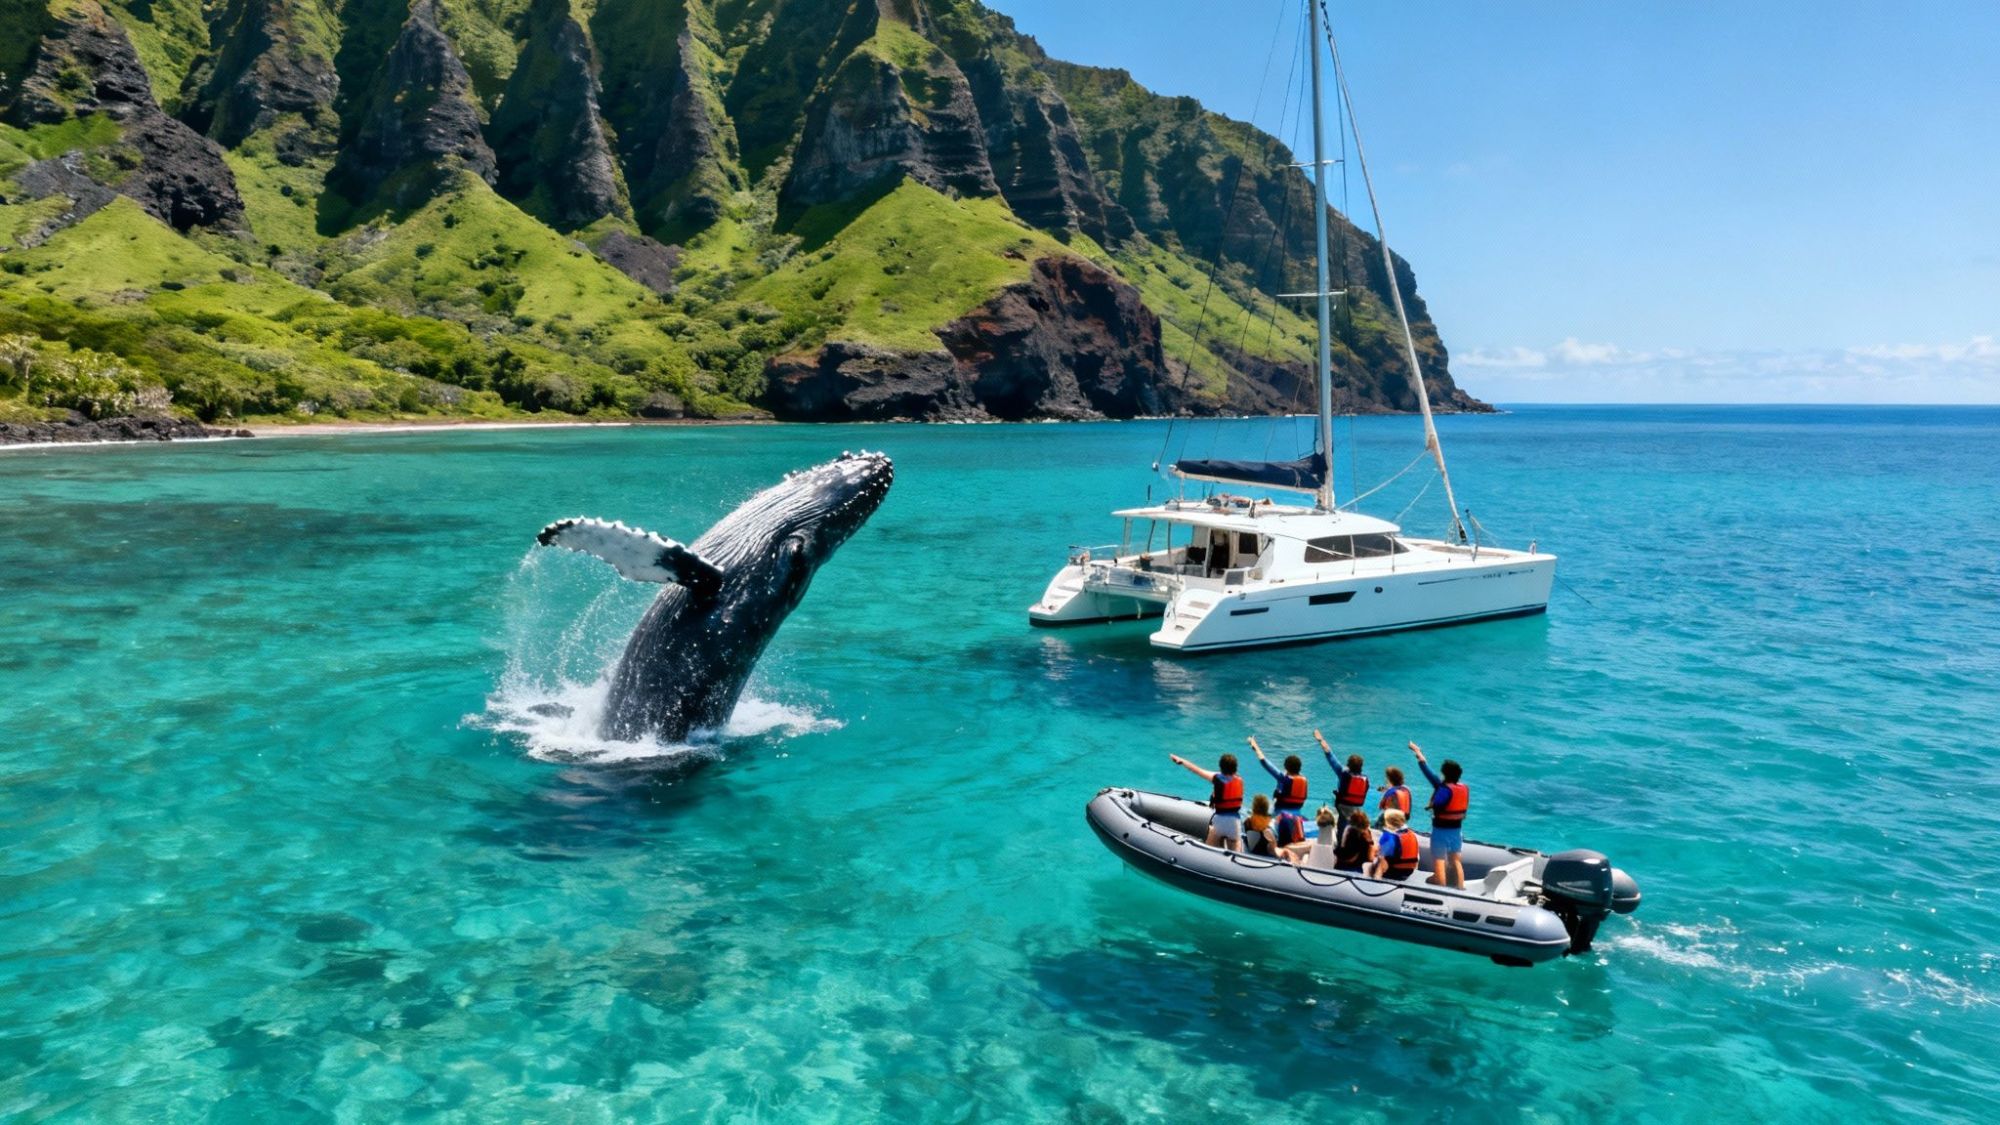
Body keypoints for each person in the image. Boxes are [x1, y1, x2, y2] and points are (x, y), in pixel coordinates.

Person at [1410, 740, 1469, 888]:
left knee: (1439, 859)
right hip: (1457, 830)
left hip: (1441, 831)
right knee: (1456, 859)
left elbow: (1425, 768)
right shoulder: (1463, 788)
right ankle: (1460, 887)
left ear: (1444, 773)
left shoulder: (1442, 787)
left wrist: (1416, 751)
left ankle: (1440, 884)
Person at [1169, 751, 1243, 852]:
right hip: (1235, 822)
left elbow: (1197, 770)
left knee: (1209, 848)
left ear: (1221, 767)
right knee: (1236, 846)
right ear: (1235, 768)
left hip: (1220, 821)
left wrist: (1182, 761)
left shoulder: (1217, 777)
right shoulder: (1239, 780)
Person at [1247, 736, 1310, 855]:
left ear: (1286, 767)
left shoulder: (1284, 779)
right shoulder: (1304, 780)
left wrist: (1255, 746)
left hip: (1280, 819)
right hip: (1298, 819)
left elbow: (1265, 762)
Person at [1313, 730, 1369, 819]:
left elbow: (1329, 754)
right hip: (1357, 808)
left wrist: (1320, 739)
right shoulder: (1365, 779)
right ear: (1361, 766)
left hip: (1342, 806)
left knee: (1340, 822)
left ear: (1348, 765)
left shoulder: (1343, 773)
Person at [1369, 808, 1422, 881]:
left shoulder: (1389, 836)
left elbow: (1380, 858)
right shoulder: (1411, 834)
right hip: (1408, 872)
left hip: (1393, 872)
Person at [1333, 809, 1377, 873]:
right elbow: (1370, 856)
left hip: (1348, 866)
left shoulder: (1351, 832)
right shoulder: (1368, 833)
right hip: (1360, 866)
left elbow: (1350, 856)